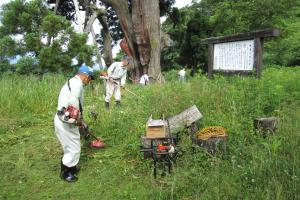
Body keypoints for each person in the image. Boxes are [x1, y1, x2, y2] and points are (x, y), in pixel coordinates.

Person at [54, 64, 94, 183]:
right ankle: (65, 173)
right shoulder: (77, 83)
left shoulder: (74, 82)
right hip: (65, 121)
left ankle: (72, 167)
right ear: (86, 76)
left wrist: (79, 119)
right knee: (72, 147)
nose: (89, 81)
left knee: (73, 144)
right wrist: (78, 119)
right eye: (90, 78)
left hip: (66, 119)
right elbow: (72, 101)